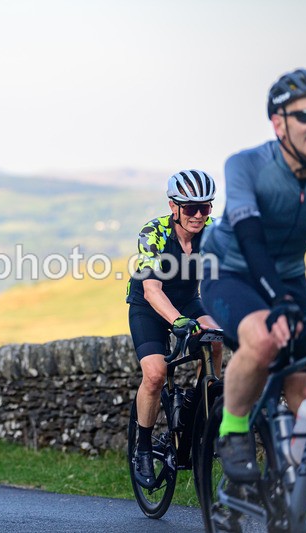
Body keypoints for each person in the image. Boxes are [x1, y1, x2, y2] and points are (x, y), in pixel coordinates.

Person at [202, 67, 306, 531]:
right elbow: (248, 234)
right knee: (265, 339)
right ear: (277, 122)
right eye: (305, 114)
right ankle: (232, 431)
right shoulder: (245, 164)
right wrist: (274, 301)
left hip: (288, 277)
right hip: (228, 270)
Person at [126, 169, 223, 489]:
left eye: (205, 207)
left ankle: (200, 417)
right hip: (148, 307)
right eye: (191, 208)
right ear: (173, 206)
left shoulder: (214, 232)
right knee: (154, 374)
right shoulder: (153, 232)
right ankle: (142, 448)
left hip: (188, 302)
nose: (199, 215)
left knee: (217, 339)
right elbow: (153, 290)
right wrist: (178, 321)